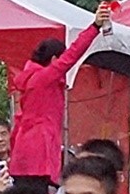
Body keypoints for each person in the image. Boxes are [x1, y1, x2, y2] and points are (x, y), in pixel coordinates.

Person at [6, 18, 104, 185]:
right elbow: (73, 54)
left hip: (24, 148)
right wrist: (95, 27)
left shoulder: (30, 79)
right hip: (40, 147)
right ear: (53, 59)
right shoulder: (45, 78)